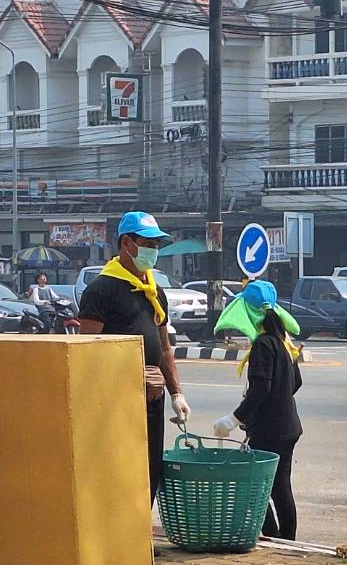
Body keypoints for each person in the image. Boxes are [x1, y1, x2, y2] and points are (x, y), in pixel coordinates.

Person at [76, 212, 191, 502]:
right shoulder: (101, 290)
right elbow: (86, 353)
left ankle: (142, 529)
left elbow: (164, 348)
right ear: (126, 243)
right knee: (120, 473)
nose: (153, 251)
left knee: (150, 471)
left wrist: (176, 393)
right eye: (147, 244)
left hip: (152, 398)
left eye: (156, 245)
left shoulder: (154, 291)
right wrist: (132, 375)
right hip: (116, 402)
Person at [212, 281, 304, 540]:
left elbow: (261, 388)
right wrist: (279, 399)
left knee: (254, 487)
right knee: (280, 487)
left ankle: (274, 536)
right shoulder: (282, 341)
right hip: (287, 427)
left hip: (269, 430)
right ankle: (286, 540)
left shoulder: (263, 345)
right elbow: (295, 382)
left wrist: (235, 419)